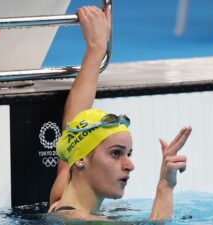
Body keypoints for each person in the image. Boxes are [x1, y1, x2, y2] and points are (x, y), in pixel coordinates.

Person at [48, 5, 192, 221]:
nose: (129, 165)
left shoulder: (61, 197)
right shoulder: (77, 220)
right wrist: (165, 185)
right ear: (81, 159)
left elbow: (74, 123)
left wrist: (96, 48)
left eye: (128, 154)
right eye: (116, 153)